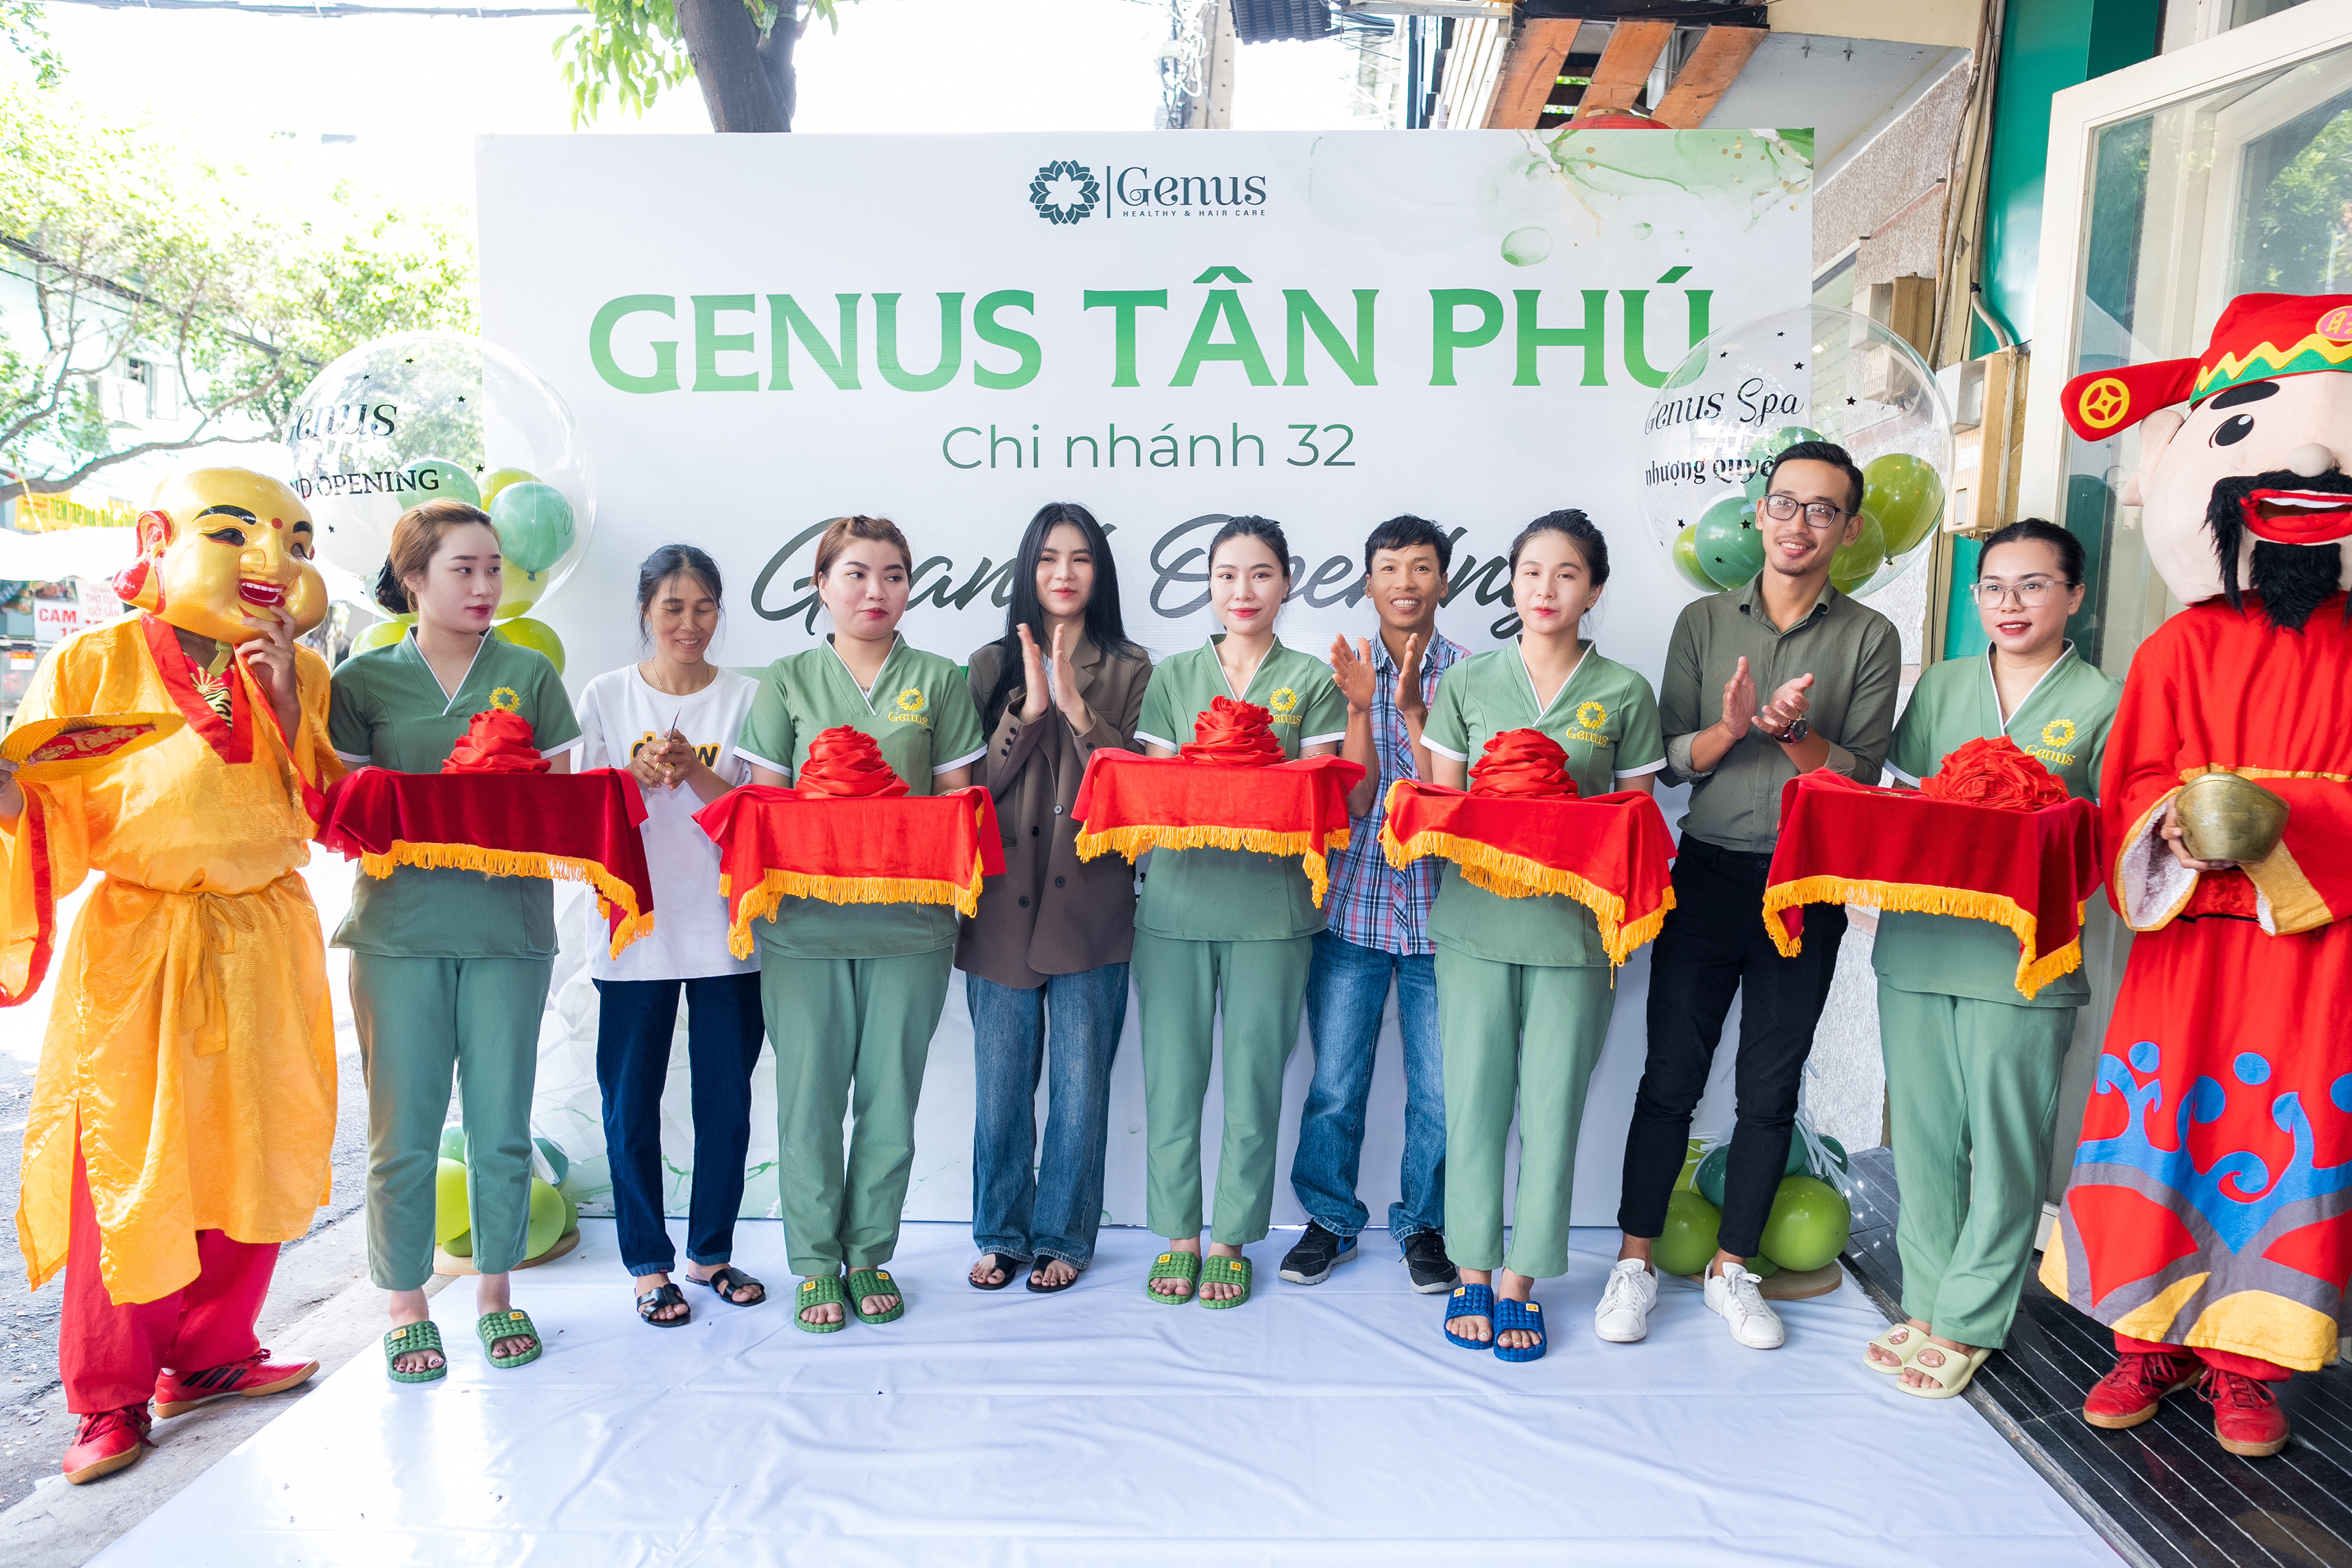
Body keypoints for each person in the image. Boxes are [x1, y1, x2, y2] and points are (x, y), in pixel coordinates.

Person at [2042, 293, 2352, 1460]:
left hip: (2313, 944)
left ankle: (2248, 1363)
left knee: (2290, 1133)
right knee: (2162, 1118)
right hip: (2189, 941)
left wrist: (2283, 821)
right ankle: (2146, 1340)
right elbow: (2130, 784)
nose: (2310, 470)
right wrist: (2173, 823)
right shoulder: (2178, 646)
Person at [5, 467, 337, 1484]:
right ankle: (107, 1397)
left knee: (254, 1146)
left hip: (265, 937)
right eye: (236, 534)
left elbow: (328, 813)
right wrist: (12, 796)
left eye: (297, 541)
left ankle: (210, 1355)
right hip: (141, 942)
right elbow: (48, 812)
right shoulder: (91, 661)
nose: (273, 559)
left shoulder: (302, 667)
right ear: (159, 538)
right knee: (128, 1170)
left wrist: (286, 696)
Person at [1604, 440, 1901, 1352]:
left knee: (1770, 1088)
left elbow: (1861, 776)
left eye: (1822, 509)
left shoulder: (1870, 637)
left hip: (1804, 886)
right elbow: (1668, 759)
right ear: (1759, 513)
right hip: (1708, 872)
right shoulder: (1702, 621)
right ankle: (1633, 1263)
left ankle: (1734, 1270)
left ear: (1849, 528)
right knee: (1670, 1078)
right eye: (1784, 503)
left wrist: (1796, 731)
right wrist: (1731, 729)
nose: (1799, 523)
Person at [1863, 519, 2121, 1399]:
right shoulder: (1942, 685)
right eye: (1994, 587)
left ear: (2074, 596)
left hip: (2024, 960)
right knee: (1925, 1138)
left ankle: (1970, 1318)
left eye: (2034, 585)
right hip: (1918, 944)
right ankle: (1927, 1303)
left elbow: (2112, 839)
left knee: (2006, 1146)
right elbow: (1903, 805)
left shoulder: (2104, 701)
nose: (2010, 604)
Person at [330, 499, 581, 1380]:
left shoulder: (530, 673)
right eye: (462, 569)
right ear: (413, 579)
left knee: (501, 1125)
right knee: (400, 1131)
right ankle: (405, 1303)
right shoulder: (363, 681)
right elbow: (343, 812)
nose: (485, 585)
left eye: (494, 568)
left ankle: (496, 1292)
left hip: (508, 931)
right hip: (397, 933)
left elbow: (561, 804)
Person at [1415, 513, 1664, 1360]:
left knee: (1553, 1111)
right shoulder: (1469, 682)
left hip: (1575, 938)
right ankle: (1472, 1271)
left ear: (1594, 590)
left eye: (1567, 574)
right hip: (1476, 926)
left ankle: (1522, 1280)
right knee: (1474, 1103)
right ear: (1511, 582)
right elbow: (1445, 809)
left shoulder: (1623, 691)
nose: (1546, 589)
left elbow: (1635, 823)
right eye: (1530, 571)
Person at [736, 514, 987, 1332]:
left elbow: (958, 806)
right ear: (821, 586)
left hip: (911, 926)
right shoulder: (787, 680)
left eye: (893, 575)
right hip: (803, 927)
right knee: (808, 1102)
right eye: (856, 574)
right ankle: (815, 1263)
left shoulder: (939, 680)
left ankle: (870, 1253)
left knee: (890, 1101)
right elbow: (762, 806)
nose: (875, 591)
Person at [1131, 515, 1349, 1308]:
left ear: (1287, 583)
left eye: (1260, 574)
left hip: (1273, 913)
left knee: (1254, 1084)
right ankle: (1178, 1235)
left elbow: (1322, 796)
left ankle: (1229, 1238)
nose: (1243, 590)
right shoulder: (1174, 676)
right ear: (1209, 585)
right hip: (1176, 905)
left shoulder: (1312, 680)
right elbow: (1163, 796)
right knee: (1172, 1082)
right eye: (1227, 574)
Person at [958, 503, 1151, 1294]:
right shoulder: (986, 664)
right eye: (1047, 558)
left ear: (1100, 572)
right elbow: (970, 792)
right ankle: (1001, 1235)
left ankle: (1066, 1236)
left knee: (1080, 1089)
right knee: (1001, 1090)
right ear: (1027, 569)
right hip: (1001, 903)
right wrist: (1029, 709)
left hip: (1092, 908)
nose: (1063, 573)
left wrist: (1076, 708)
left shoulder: (1133, 668)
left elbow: (1135, 789)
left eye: (1080, 558)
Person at [576, 545, 766, 1328]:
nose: (690, 623)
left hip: (727, 930)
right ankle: (648, 1267)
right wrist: (637, 777)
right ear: (646, 612)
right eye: (673, 608)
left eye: (705, 607)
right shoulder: (605, 695)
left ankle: (710, 1255)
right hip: (633, 929)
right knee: (631, 1107)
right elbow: (581, 809)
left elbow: (761, 815)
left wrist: (694, 772)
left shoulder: (748, 698)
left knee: (726, 1104)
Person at [1280, 514, 1465, 1294]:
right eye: (1389, 568)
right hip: (1351, 907)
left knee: (1440, 1092)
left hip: (1443, 913)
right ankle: (1330, 1220)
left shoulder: (1472, 676)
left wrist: (1415, 705)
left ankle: (1424, 1225)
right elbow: (1352, 803)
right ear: (1368, 583)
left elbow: (1449, 799)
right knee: (1335, 1082)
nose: (1404, 582)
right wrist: (1361, 706)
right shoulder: (1339, 672)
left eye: (1421, 567)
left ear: (1443, 582)